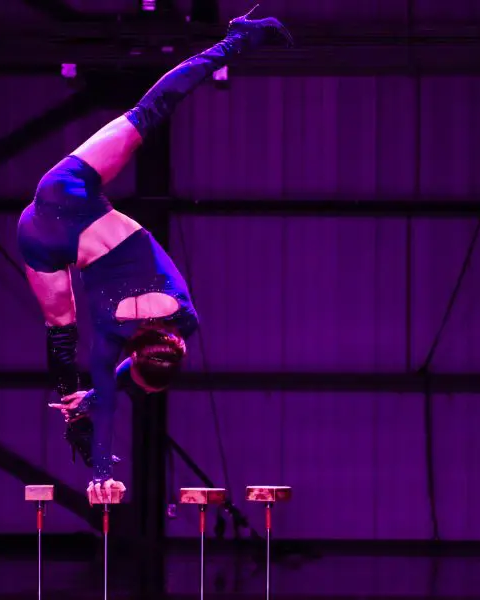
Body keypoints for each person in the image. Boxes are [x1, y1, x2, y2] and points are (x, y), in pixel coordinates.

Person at [16, 5, 293, 505]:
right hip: (39, 238)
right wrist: (100, 473)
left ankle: (237, 39)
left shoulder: (184, 317)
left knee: (150, 111)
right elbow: (110, 399)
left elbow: (131, 377)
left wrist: (105, 405)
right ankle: (74, 427)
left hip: (65, 192)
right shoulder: (110, 339)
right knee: (60, 334)